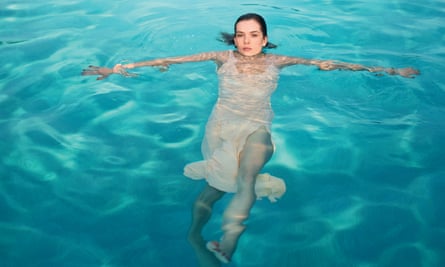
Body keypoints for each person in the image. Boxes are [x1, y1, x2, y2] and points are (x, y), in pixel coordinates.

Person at [82, 13, 419, 265]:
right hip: (219, 130)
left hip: (257, 128)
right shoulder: (219, 58)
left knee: (244, 177)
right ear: (234, 39)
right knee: (211, 192)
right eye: (240, 35)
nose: (245, 41)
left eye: (253, 35)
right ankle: (195, 234)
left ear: (265, 38)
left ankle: (229, 241)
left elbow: (333, 64)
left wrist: (389, 72)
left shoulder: (279, 61)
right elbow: (168, 60)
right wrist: (116, 68)